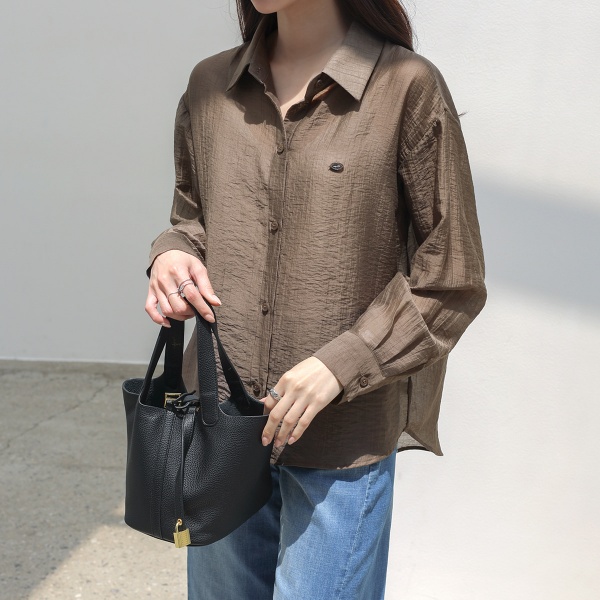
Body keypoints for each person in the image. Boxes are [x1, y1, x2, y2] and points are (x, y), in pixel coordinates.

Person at [144, 0, 487, 598]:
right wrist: (170, 253)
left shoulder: (406, 87)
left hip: (342, 440)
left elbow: (451, 275)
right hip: (221, 425)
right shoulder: (209, 85)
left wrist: (341, 364)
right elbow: (193, 218)